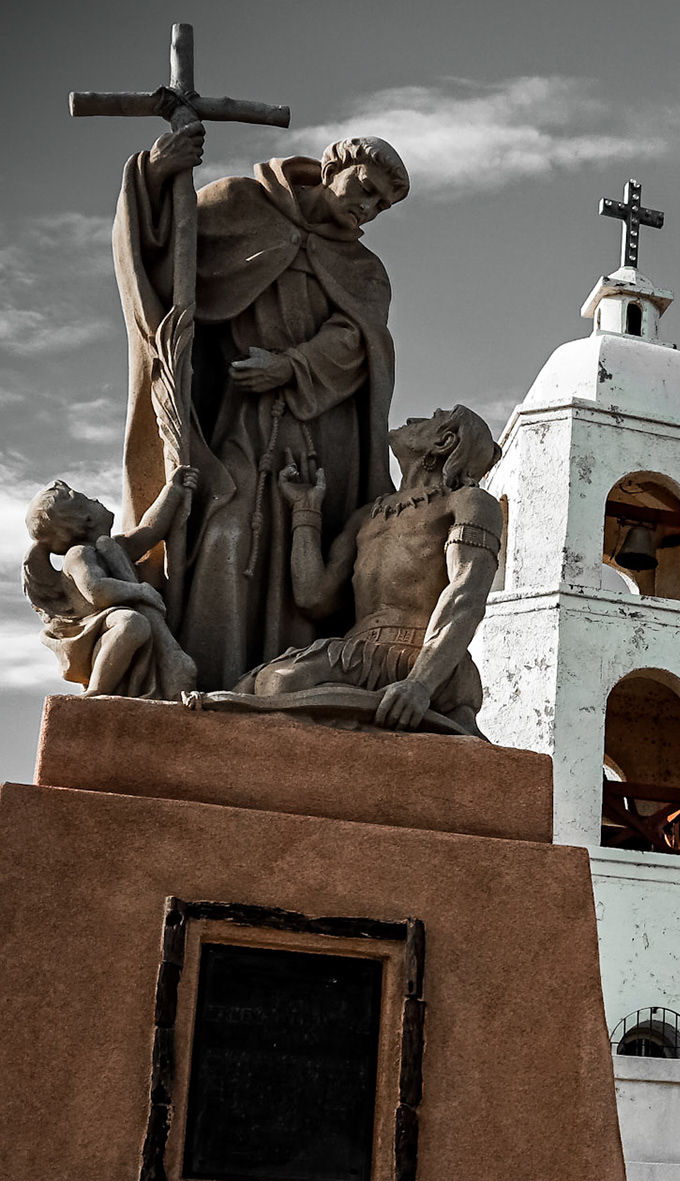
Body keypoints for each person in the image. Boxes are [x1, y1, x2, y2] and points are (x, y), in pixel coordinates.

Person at [113, 123, 409, 688]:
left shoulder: (365, 270)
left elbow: (361, 339)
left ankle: (278, 691)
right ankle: (207, 686)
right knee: (224, 531)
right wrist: (158, 174)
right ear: (333, 168)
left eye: (382, 206)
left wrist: (292, 365)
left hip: (323, 429)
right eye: (366, 188)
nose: (369, 209)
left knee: (307, 549)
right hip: (237, 417)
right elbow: (160, 262)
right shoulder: (241, 204)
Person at [228, 406, 503, 735]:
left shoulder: (469, 502)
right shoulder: (366, 516)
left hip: (421, 658)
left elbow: (465, 594)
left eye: (432, 418)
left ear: (444, 442)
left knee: (278, 684)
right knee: (248, 687)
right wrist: (305, 510)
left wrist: (420, 684)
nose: (412, 419)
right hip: (356, 654)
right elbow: (313, 597)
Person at [23, 471, 200, 699]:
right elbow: (97, 591)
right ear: (86, 520)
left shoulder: (114, 547)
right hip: (97, 626)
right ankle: (97, 690)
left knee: (135, 622)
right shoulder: (79, 554)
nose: (96, 499)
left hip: (120, 621)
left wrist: (173, 490)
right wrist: (139, 590)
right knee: (132, 622)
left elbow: (150, 530)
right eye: (88, 500)